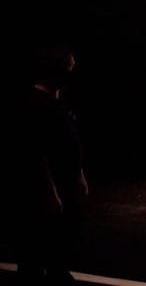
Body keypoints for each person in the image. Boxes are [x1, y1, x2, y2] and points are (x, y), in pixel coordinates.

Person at [12, 44, 88, 285]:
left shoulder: (58, 104)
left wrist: (80, 175)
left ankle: (57, 271)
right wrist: (50, 191)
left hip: (63, 185)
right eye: (68, 68)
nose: (71, 73)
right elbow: (35, 153)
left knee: (58, 247)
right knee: (34, 254)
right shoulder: (35, 104)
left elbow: (70, 143)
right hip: (44, 190)